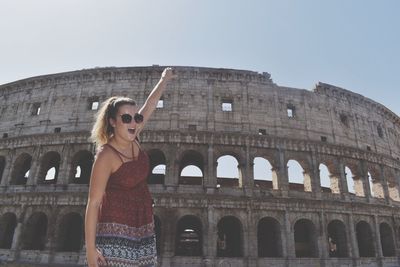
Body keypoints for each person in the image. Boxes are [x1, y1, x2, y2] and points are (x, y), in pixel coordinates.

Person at [85, 67, 177, 267]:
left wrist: (164, 79)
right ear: (112, 122)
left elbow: (150, 104)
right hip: (115, 230)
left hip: (141, 224)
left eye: (137, 118)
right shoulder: (106, 155)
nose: (133, 122)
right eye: (126, 118)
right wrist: (91, 251)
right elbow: (93, 204)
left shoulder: (134, 136)